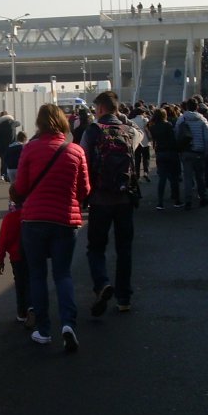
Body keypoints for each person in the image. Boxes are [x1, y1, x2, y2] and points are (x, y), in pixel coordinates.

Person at [10, 103, 90, 352]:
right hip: (65, 220)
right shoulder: (75, 151)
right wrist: (71, 201)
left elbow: (21, 187)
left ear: (40, 123)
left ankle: (43, 330)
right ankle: (68, 324)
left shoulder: (30, 148)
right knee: (63, 274)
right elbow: (85, 189)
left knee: (37, 275)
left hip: (34, 219)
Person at [80, 91, 138, 315]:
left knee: (96, 247)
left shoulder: (92, 131)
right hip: (125, 198)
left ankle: (102, 283)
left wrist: (83, 196)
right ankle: (124, 298)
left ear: (101, 108)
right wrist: (124, 119)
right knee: (124, 249)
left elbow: (84, 162)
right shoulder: (128, 130)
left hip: (100, 198)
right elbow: (143, 137)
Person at [0, 201, 34, 328]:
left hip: (16, 255)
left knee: (20, 283)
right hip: (31, 253)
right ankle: (32, 306)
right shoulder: (31, 214)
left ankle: (22, 312)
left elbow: (3, 239)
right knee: (32, 280)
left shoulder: (9, 217)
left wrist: (0, 259)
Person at [174, 99, 208, 210]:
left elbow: (177, 134)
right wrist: (206, 151)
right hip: (199, 151)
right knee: (200, 176)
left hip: (186, 150)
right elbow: (207, 138)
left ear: (186, 107)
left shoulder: (182, 119)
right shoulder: (202, 120)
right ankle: (203, 197)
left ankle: (188, 200)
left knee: (187, 177)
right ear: (197, 107)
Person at [150, 107, 182, 209]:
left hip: (160, 153)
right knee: (174, 178)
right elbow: (173, 139)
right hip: (171, 152)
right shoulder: (168, 125)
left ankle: (160, 202)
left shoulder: (153, 127)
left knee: (162, 179)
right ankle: (177, 200)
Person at [0, 111, 19, 181]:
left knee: (3, 160)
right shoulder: (12, 123)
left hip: (1, 147)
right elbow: (18, 123)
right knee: (10, 159)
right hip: (12, 145)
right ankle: (7, 174)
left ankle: (4, 174)